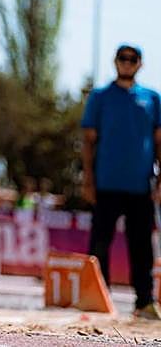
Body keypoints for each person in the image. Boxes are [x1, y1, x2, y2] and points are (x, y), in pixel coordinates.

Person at [81, 43, 161, 319]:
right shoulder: (100, 97)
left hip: (141, 186)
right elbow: (88, 140)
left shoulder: (152, 98)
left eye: (132, 59)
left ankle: (144, 301)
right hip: (106, 183)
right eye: (122, 58)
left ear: (140, 63)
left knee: (141, 247)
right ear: (115, 62)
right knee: (99, 243)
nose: (127, 63)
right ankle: (99, 299)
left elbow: (159, 141)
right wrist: (88, 178)